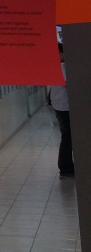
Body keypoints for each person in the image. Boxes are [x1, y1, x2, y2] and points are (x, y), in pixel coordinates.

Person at [49, 43, 73, 179]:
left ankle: (66, 166)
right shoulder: (61, 67)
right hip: (64, 107)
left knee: (67, 137)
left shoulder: (56, 67)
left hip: (60, 105)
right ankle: (65, 168)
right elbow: (67, 84)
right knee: (67, 137)